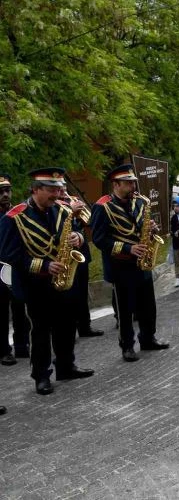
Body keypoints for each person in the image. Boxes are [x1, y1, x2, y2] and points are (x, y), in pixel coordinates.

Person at [0, 168, 94, 394]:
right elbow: (8, 256)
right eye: (52, 190)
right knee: (41, 330)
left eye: (59, 189)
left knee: (67, 325)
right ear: (35, 190)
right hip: (36, 284)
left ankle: (66, 365)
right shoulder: (14, 217)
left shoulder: (62, 210)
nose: (57, 194)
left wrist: (78, 238)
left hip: (64, 278)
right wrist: (43, 265)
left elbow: (80, 232)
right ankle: (41, 375)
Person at [92, 164, 170, 363]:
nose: (133, 186)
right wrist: (128, 248)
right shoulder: (102, 206)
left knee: (148, 304)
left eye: (133, 182)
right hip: (120, 265)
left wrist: (151, 228)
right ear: (116, 184)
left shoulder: (140, 202)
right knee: (126, 310)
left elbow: (141, 226)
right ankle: (127, 345)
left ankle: (148, 338)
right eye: (128, 183)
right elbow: (100, 239)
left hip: (142, 262)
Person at [59, 188, 104, 338]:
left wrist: (79, 214)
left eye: (64, 186)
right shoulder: (53, 206)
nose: (63, 190)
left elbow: (89, 222)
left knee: (82, 292)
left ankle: (85, 326)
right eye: (59, 188)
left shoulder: (72, 200)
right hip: (64, 255)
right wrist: (71, 213)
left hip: (81, 252)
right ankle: (70, 330)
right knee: (69, 294)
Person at [0, 173, 29, 366]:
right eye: (1, 192)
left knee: (20, 308)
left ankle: (22, 345)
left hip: (17, 268)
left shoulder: (19, 213)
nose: (5, 195)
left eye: (7, 190)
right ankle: (3, 351)